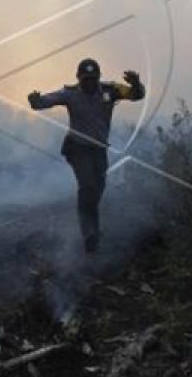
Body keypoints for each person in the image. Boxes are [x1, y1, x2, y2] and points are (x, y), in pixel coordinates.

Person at [27, 58, 145, 252]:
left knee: (98, 189)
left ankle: (92, 229)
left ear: (98, 78)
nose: (89, 82)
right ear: (78, 78)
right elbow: (47, 100)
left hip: (99, 150)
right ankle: (89, 234)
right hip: (77, 148)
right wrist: (36, 101)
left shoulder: (110, 91)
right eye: (85, 79)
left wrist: (136, 84)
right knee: (87, 187)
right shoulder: (70, 94)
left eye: (93, 78)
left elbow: (136, 95)